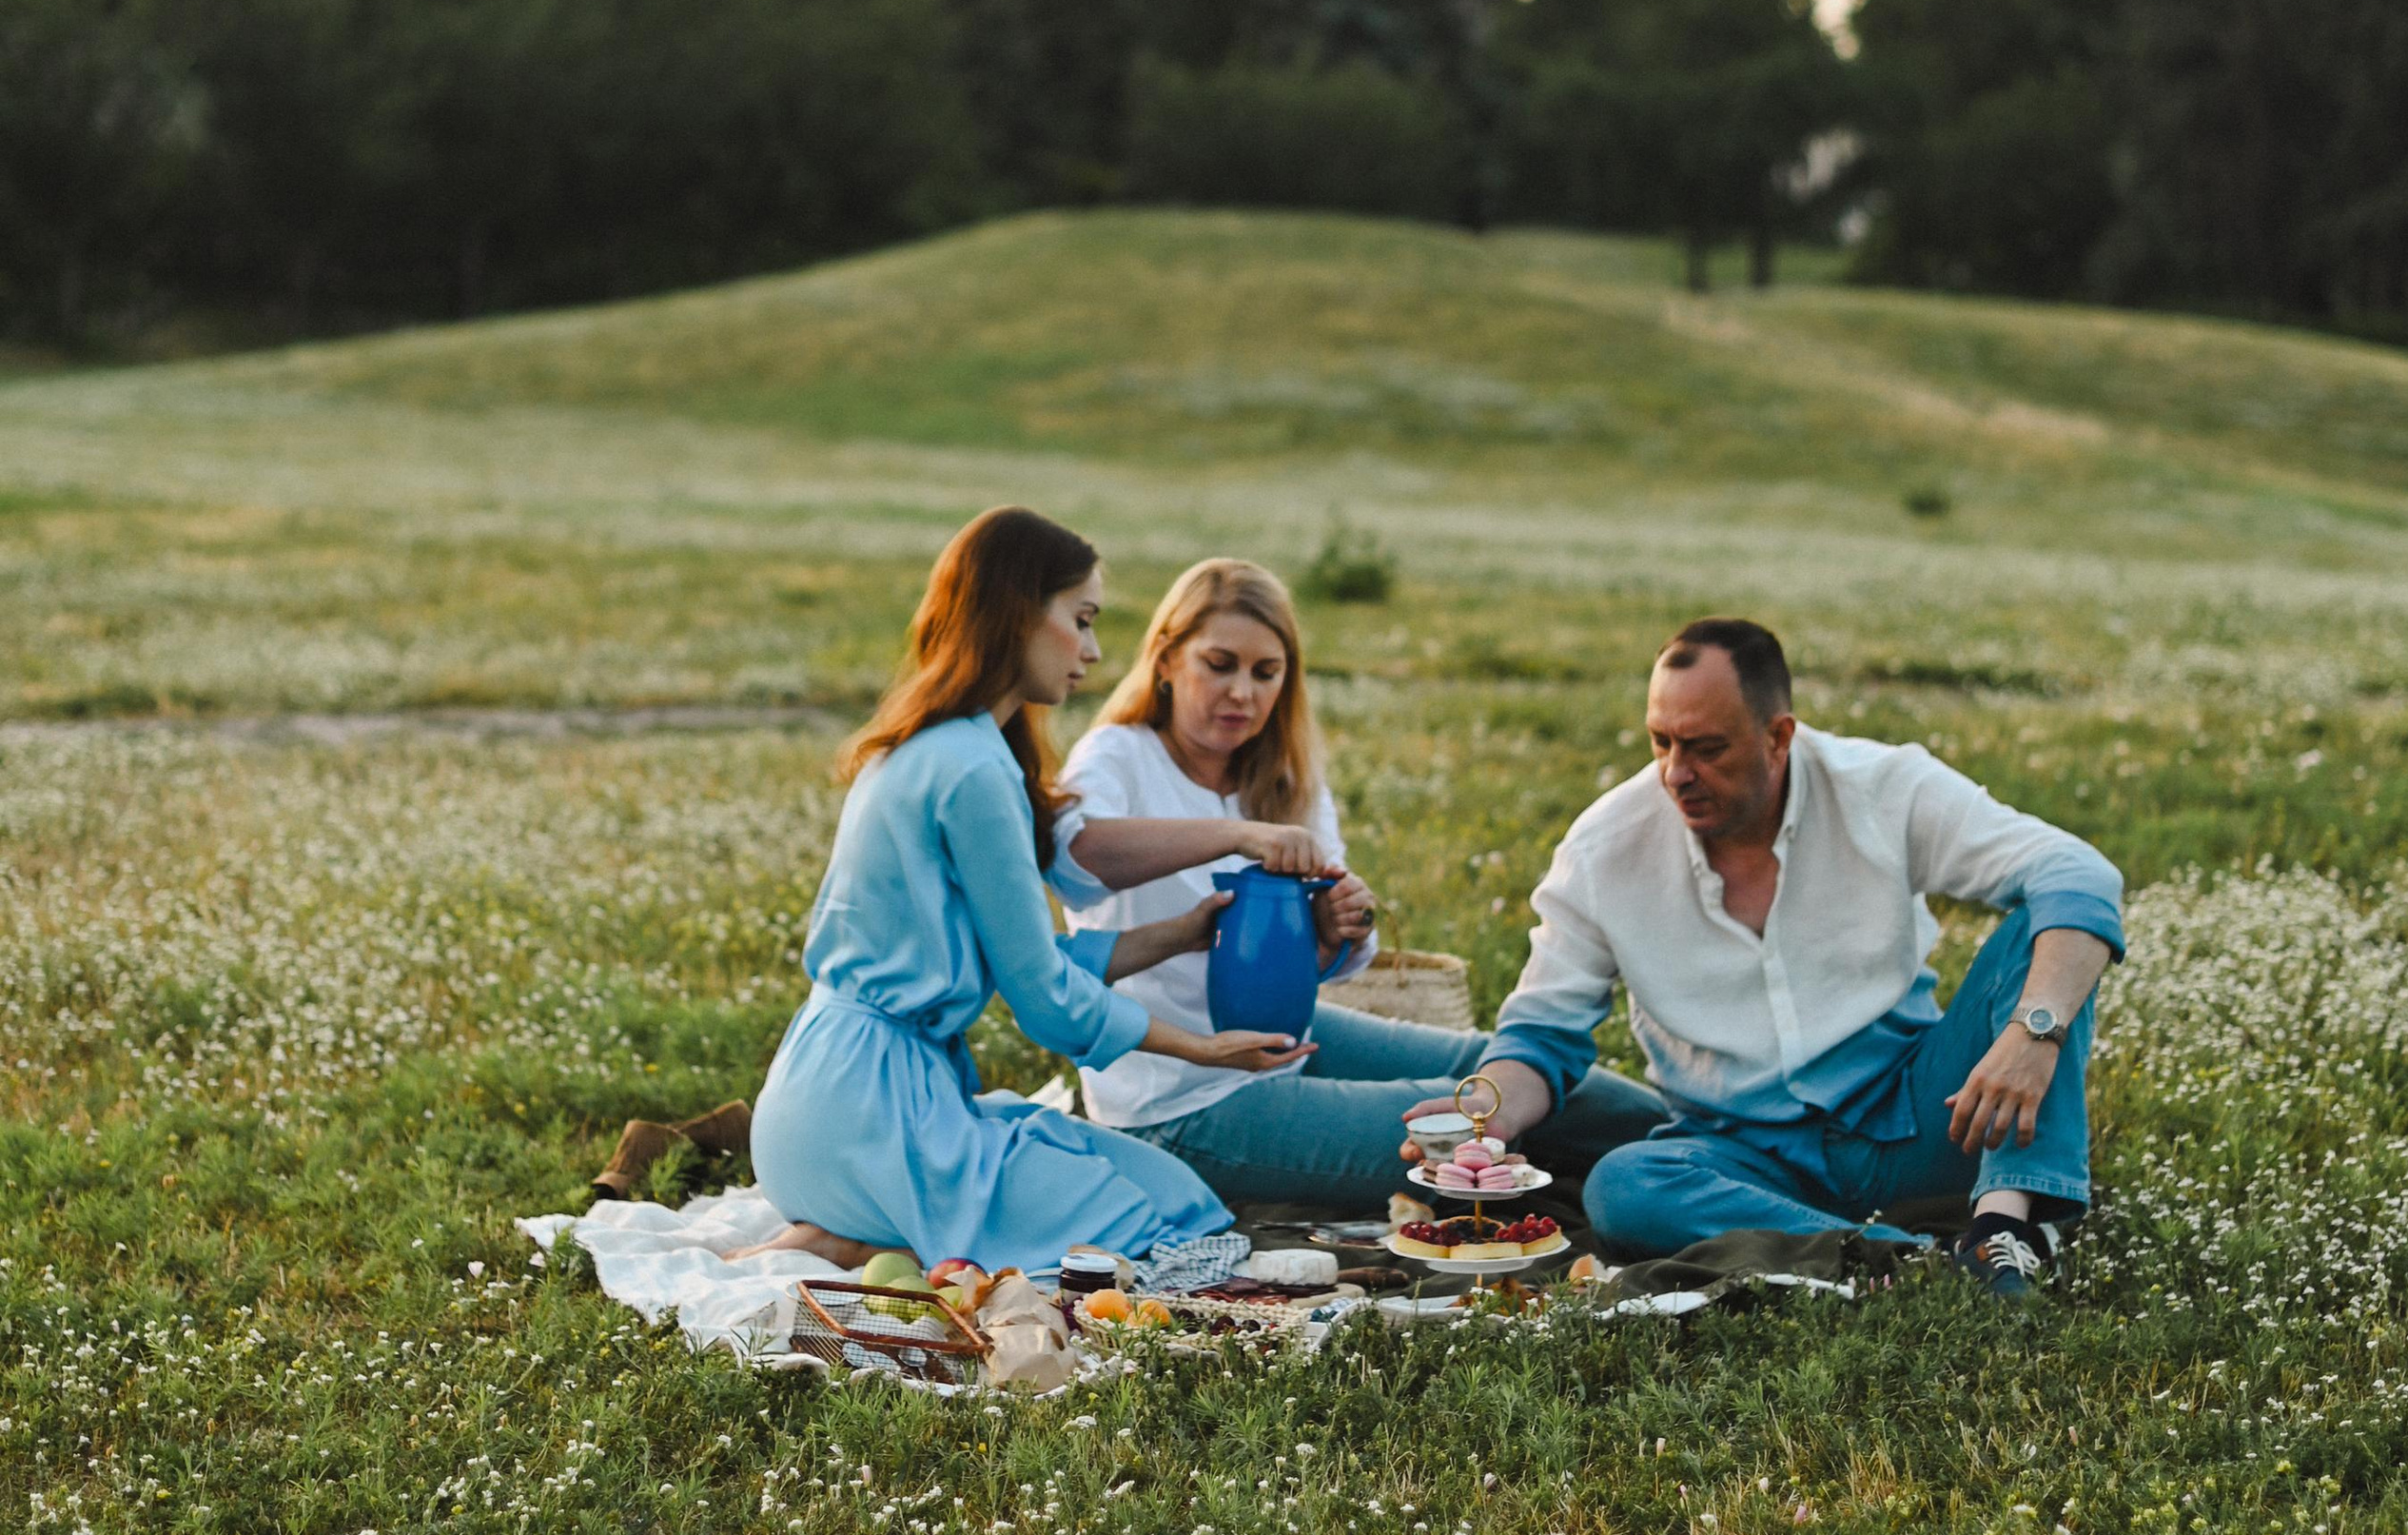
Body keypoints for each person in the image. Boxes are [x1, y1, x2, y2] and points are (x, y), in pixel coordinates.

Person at [747, 507, 1329, 1278]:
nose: (1091, 650)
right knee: (1156, 1228)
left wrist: (1184, 932)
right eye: (1081, 620)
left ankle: (859, 1235)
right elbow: (1045, 999)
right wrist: (1203, 1049)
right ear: (1019, 613)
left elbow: (1035, 957)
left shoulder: (944, 745)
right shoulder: (972, 769)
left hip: (830, 1102)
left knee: (1170, 1190)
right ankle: (866, 1230)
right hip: (870, 1116)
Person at [1484, 617, 2124, 1297]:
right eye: (1661, 741)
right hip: (1745, 1161)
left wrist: (2034, 1032)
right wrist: (1483, 1117)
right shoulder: (1602, 849)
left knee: (2045, 932)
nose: (1677, 773)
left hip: (1923, 1117)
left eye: (1706, 748)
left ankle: (2005, 1228)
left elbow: (2078, 875)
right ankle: (1898, 1258)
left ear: (1778, 737)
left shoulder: (1883, 788)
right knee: (1623, 1187)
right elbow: (1541, 1033)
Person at [1061, 556, 1665, 1215]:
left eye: (1267, 673)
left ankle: (1708, 1148)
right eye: (1220, 663)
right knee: (1465, 1139)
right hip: (1179, 1099)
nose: (1243, 693)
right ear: (1167, 657)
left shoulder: (1282, 775)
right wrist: (1236, 836)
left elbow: (1331, 962)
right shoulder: (1116, 755)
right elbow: (1081, 855)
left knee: (1520, 1079)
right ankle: (1646, 1191)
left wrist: (1339, 930)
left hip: (1289, 1039)